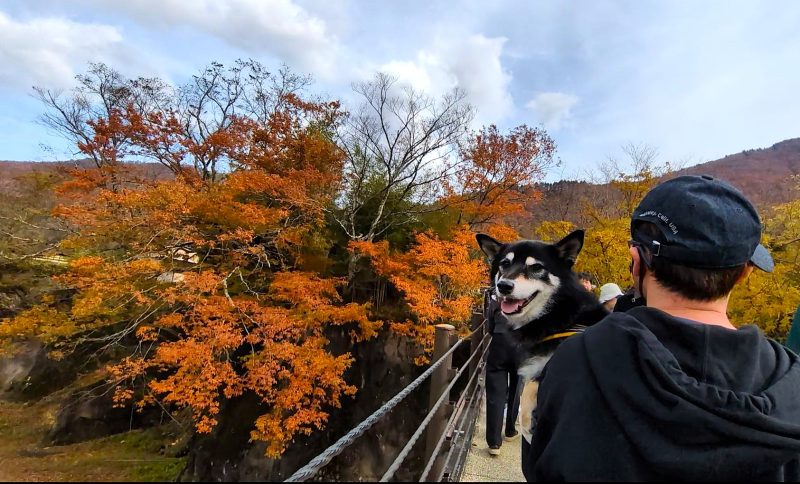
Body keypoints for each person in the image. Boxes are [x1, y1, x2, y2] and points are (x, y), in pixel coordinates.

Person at [523, 175, 800, 481]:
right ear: (744, 273)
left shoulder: (576, 360)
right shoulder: (790, 384)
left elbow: (538, 462)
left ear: (637, 262)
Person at [484, 293, 521, 456]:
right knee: (517, 385)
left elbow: (490, 323)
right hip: (522, 340)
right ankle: (510, 430)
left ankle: (494, 442)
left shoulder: (499, 290)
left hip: (500, 339)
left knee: (495, 391)